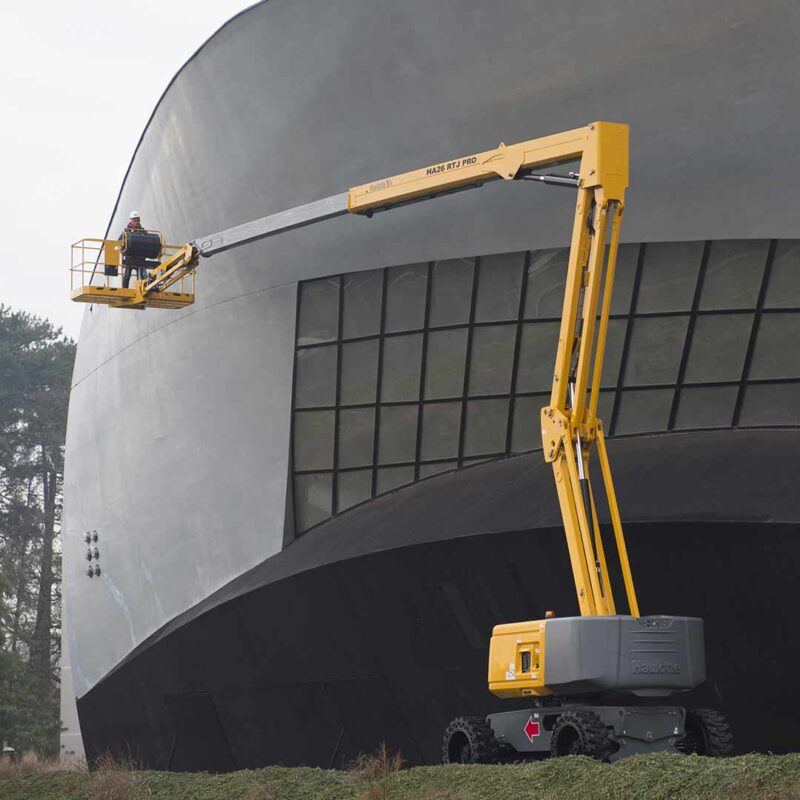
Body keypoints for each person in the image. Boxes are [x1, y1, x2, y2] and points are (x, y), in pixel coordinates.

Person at [121, 211, 150, 288]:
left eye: (138, 220)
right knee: (127, 276)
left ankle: (141, 289)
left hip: (140, 258)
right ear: (131, 220)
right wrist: (122, 248)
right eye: (135, 220)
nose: (137, 222)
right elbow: (120, 241)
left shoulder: (143, 231)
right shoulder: (126, 231)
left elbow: (148, 240)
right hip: (130, 257)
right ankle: (125, 290)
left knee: (141, 277)